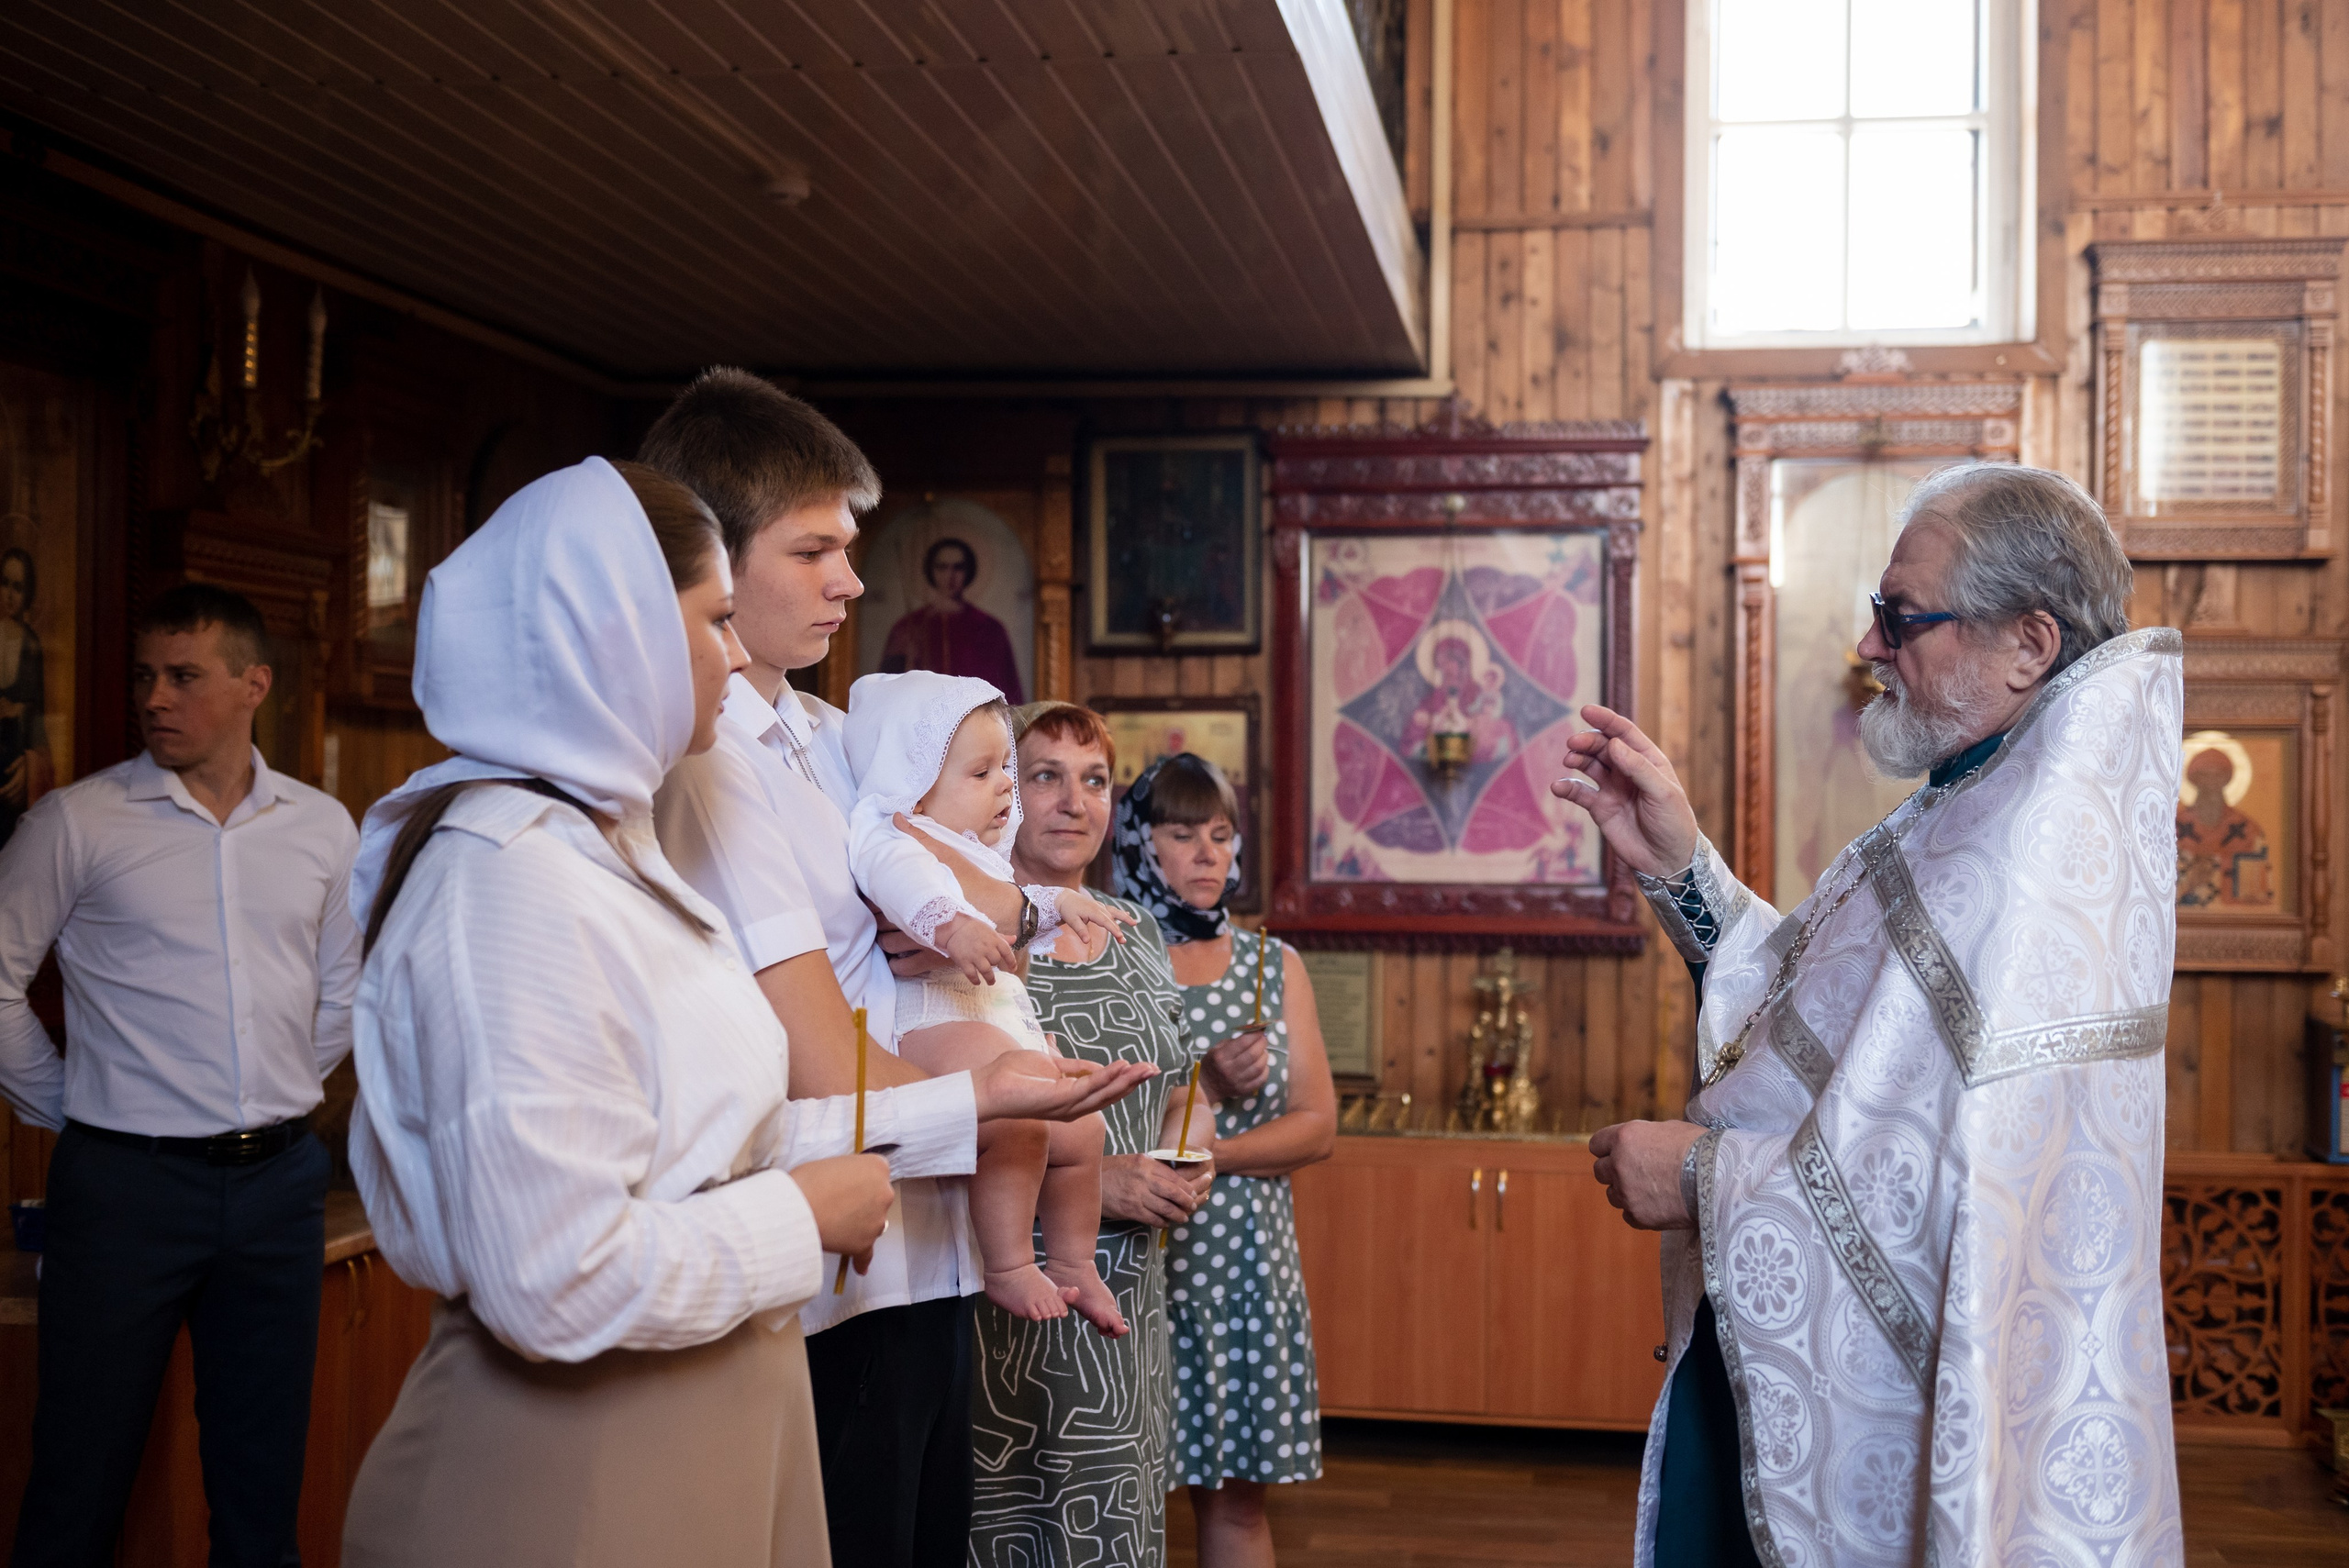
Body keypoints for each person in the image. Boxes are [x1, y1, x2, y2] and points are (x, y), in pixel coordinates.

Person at [339, 457, 1121, 1568]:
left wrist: (962, 1105)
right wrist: (803, 1210)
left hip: (691, 1418)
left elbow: (702, 1141)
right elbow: (552, 1277)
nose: (733, 654)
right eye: (712, 621)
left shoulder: (607, 849)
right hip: (572, 1468)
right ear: (613, 635)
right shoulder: (504, 881)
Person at [1558, 463, 2182, 1566]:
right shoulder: (1971, 806)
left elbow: (1957, 1187)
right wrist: (1681, 866)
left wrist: (1701, 1174)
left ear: (2028, 644)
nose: (1868, 646)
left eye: (1902, 617)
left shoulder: (2034, 871)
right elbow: (1809, 1007)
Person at [638, 370, 1152, 1568]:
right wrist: (995, 1094)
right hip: (830, 1261)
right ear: (712, 558)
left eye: (849, 548)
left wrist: (972, 917)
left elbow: (962, 873)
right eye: (813, 549)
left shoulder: (837, 736)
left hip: (930, 1246)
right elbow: (804, 1043)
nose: (853, 582)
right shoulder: (709, 763)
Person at [0, 582, 360, 1568]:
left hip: (279, 1187)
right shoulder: (76, 823)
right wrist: (76, 1103)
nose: (154, 697)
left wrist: (269, 1090)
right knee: (77, 1486)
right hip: (124, 1190)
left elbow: (344, 989)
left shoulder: (323, 826)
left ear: (254, 685)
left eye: (184, 676)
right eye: (145, 676)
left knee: (261, 1494)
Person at [946, 704, 1235, 1568]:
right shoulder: (959, 926)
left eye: (1095, 780)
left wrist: (1191, 1151)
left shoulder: (1133, 928)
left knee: (1114, 1535)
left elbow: (1181, 1086)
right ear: (1003, 790)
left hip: (1126, 1302)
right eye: (1046, 776)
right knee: (1000, 1534)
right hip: (1005, 1293)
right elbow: (934, 1106)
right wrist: (1099, 1179)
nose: (1074, 801)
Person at [840, 672, 1130, 1334]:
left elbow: (1016, 904)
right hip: (935, 1016)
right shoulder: (896, 830)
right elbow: (905, 885)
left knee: (1083, 1125)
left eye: (1005, 768)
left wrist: (1064, 904)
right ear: (917, 783)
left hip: (991, 1016)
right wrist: (952, 929)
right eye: (982, 772)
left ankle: (1074, 1260)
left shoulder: (980, 851)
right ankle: (1007, 1262)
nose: (1005, 784)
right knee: (1022, 1112)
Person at [1124, 753, 1336, 1565]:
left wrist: (1211, 1155)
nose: (1209, 853)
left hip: (1245, 1267)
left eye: (1221, 833)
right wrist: (1203, 1085)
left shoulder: (1272, 965)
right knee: (1117, 1499)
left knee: (1238, 1507)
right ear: (1140, 842)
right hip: (1132, 1259)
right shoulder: (1111, 952)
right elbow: (1090, 1117)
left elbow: (1317, 1126)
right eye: (1183, 834)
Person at [879, 536, 1024, 701]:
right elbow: (887, 690)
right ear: (931, 570)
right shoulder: (907, 627)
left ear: (969, 571)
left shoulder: (990, 629)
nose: (950, 576)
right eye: (942, 567)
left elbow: (1009, 694)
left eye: (958, 567)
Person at [0, 544, 51, 843]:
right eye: (4, 583)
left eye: (18, 587)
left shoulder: (31, 646)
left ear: (28, 593)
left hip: (13, 765)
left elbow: (37, 719)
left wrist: (29, 769)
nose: (9, 595)